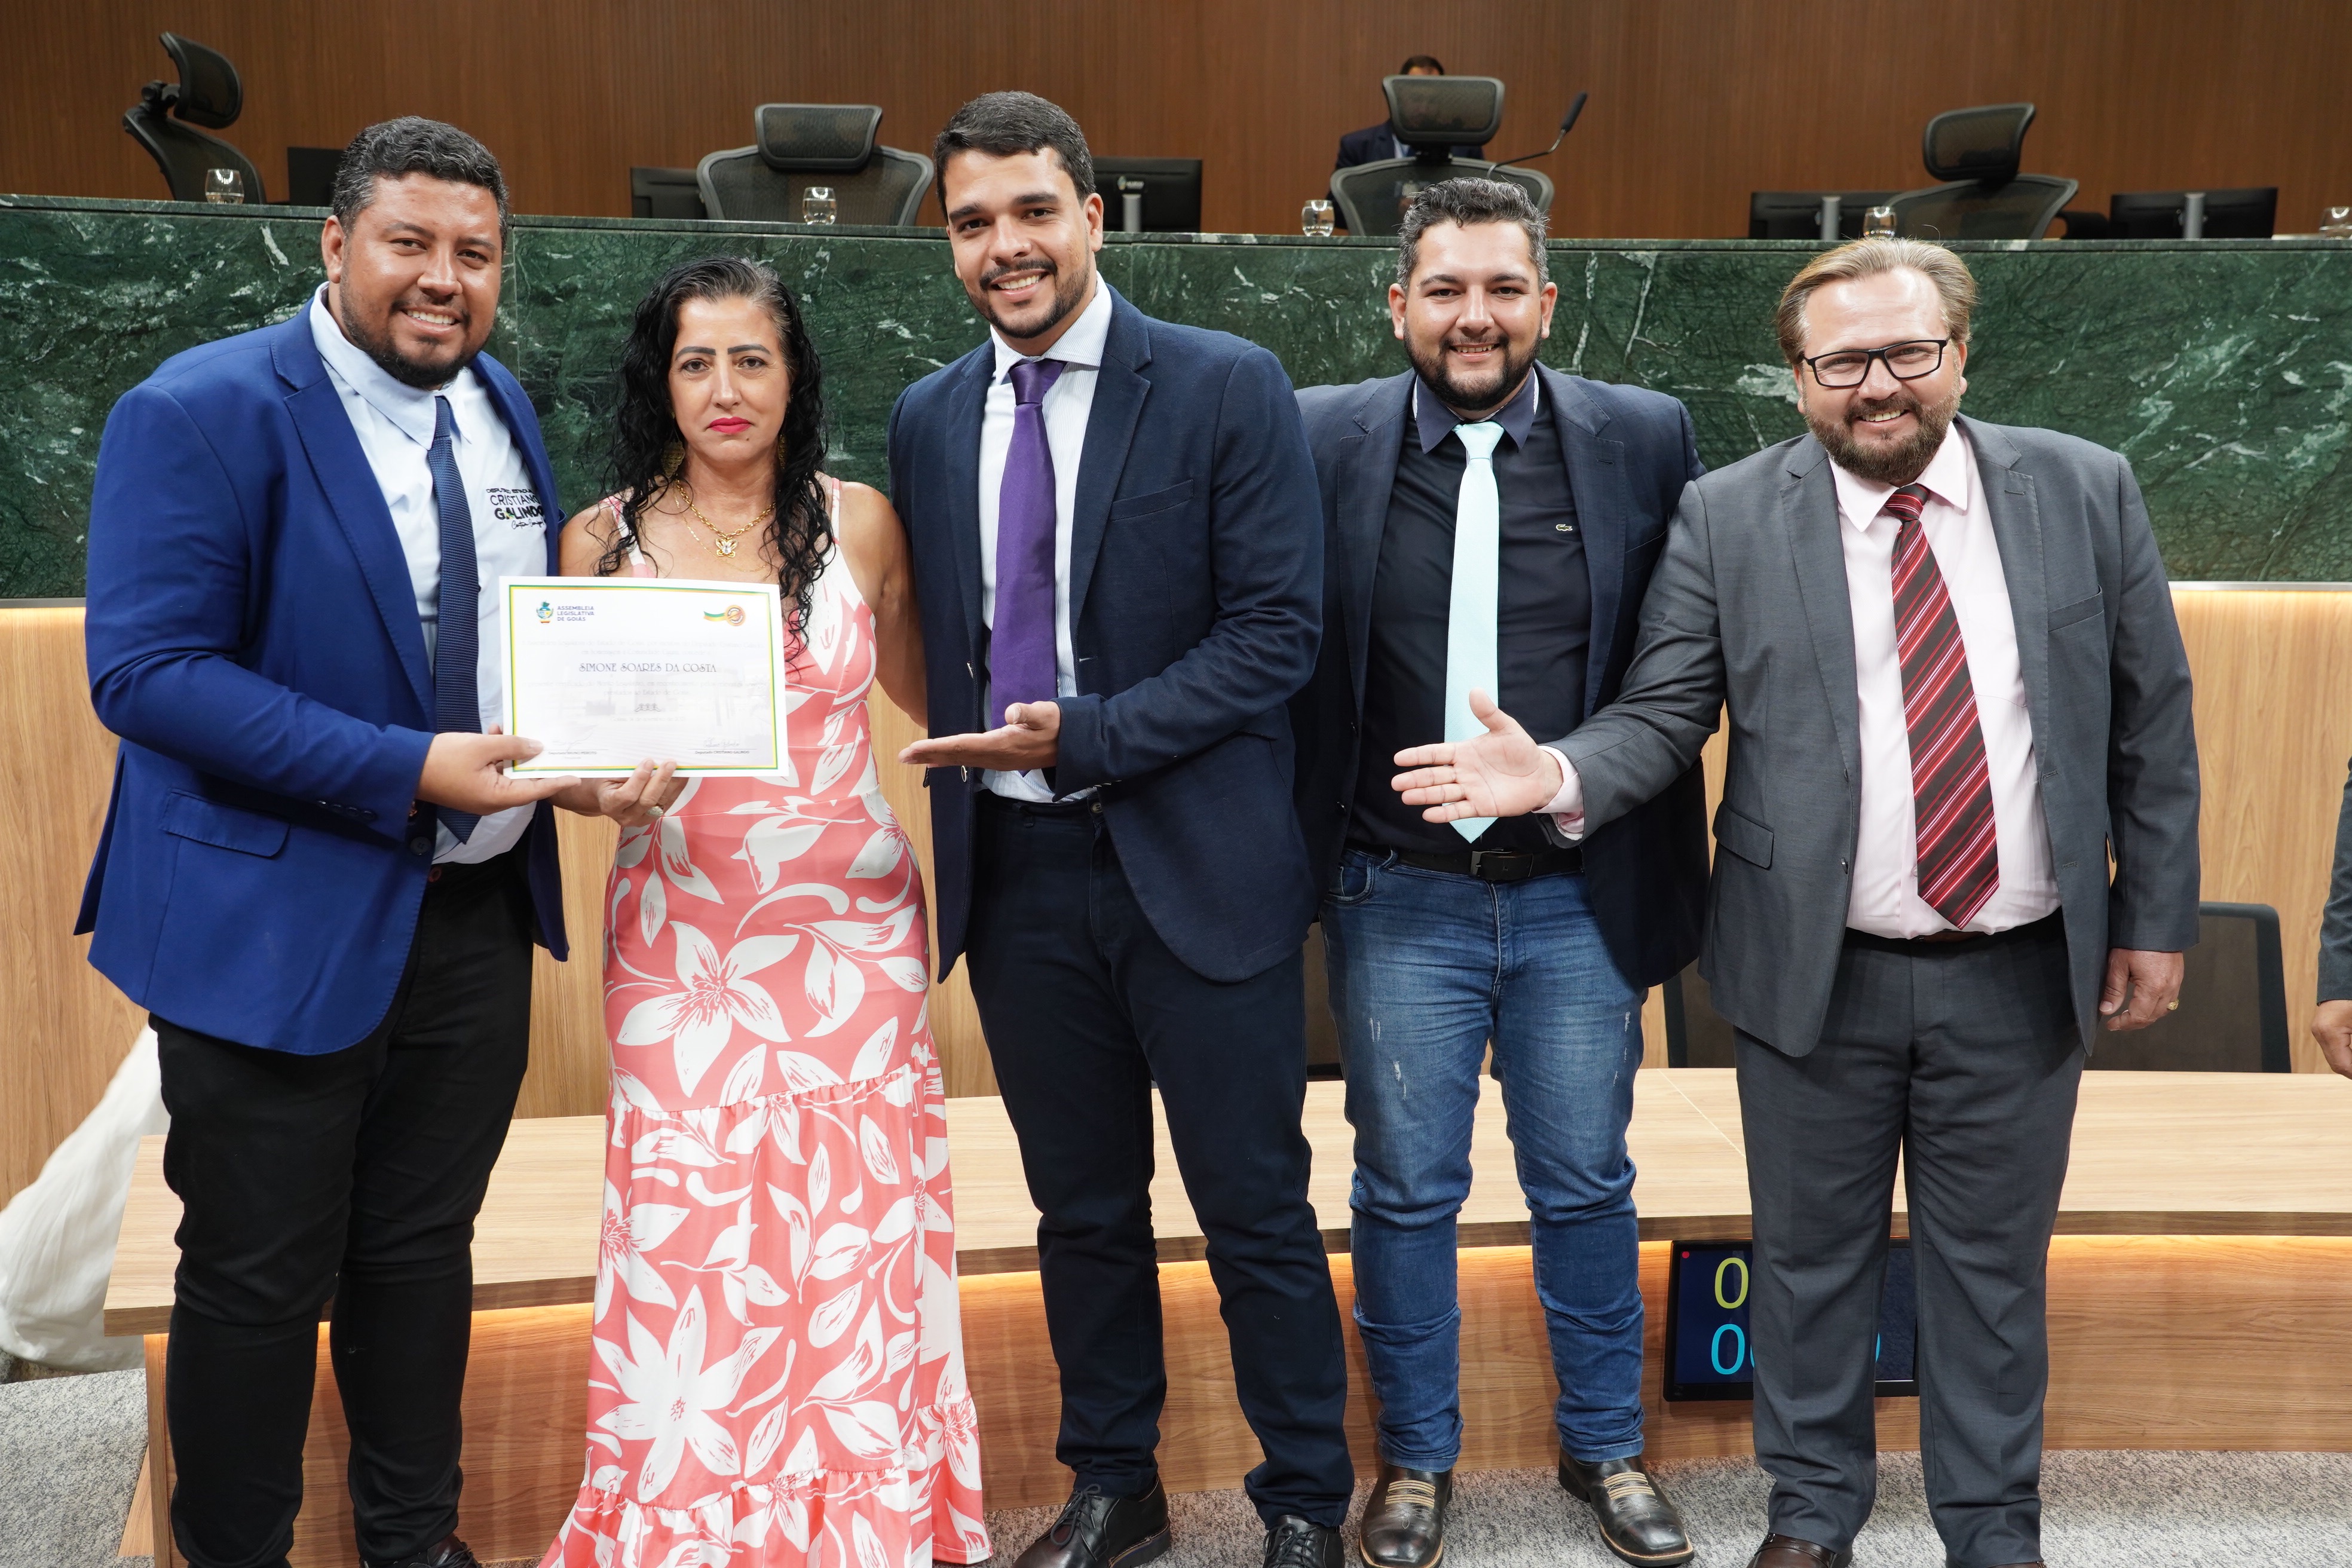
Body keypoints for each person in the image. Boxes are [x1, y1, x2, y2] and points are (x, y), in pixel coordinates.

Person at [1391, 237, 2200, 1568]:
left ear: (1959, 354)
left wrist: (2156, 917)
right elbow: (1665, 710)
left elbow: (2150, 724)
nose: (1877, 384)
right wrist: (1558, 773)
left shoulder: (2081, 486)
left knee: (1992, 1274)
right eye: (1841, 362)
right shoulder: (1728, 514)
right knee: (1810, 1262)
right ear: (1798, 377)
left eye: (1907, 352)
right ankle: (1813, 1515)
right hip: (1812, 965)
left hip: (2021, 962)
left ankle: (1993, 1530)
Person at [78, 118, 594, 1568]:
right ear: (335, 242)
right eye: (408, 243)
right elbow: (149, 675)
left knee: (421, 1258)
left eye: (475, 253)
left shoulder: (499, 402)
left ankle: (413, 1543)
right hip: (270, 927)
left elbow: (513, 645)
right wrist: (408, 767)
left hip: (473, 923)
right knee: (256, 1281)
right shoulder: (200, 408)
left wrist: (581, 758)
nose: (444, 278)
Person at [887, 91, 1353, 1568]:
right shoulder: (928, 415)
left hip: (1198, 863)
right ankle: (1116, 1483)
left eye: (1033, 211)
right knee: (1081, 1207)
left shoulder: (1224, 382)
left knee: (1253, 1205)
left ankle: (1303, 1499)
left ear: (1092, 216)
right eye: (973, 222)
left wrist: (1087, 734)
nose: (1006, 246)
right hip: (1016, 872)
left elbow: (1276, 633)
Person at [537, 256, 989, 1567]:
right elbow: (561, 757)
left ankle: (867, 1516)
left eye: (752, 359)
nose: (725, 388)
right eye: (696, 361)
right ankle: (696, 1520)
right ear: (660, 380)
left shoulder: (864, 522)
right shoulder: (599, 540)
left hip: (851, 933)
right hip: (681, 936)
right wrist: (592, 791)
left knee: (855, 1230)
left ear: (795, 377)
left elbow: (929, 700)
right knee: (695, 1230)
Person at [1289, 177, 1705, 1568]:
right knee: (1406, 1186)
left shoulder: (1646, 436)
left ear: (1547, 300)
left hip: (1579, 882)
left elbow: (1677, 662)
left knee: (1584, 1179)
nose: (1476, 316)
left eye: (1504, 288)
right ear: (1397, 302)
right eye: (1447, 289)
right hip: (1396, 889)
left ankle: (1606, 1446)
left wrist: (1567, 769)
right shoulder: (1315, 433)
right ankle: (1413, 1460)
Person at [1333, 56, 1488, 173]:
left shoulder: (1466, 150)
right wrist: (1392, 203)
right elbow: (1339, 203)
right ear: (1398, 97)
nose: (1424, 109)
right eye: (1416, 99)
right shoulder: (1358, 147)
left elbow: (1479, 202)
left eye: (1433, 101)